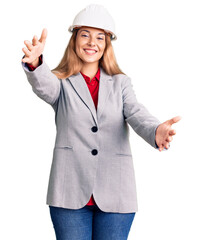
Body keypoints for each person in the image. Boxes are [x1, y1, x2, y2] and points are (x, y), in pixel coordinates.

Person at [21, 4, 181, 240]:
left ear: (106, 44)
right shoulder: (61, 83)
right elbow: (45, 86)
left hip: (116, 193)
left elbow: (136, 112)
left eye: (99, 37)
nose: (91, 42)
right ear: (75, 39)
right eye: (85, 35)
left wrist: (156, 130)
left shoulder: (121, 83)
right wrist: (36, 65)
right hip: (69, 193)